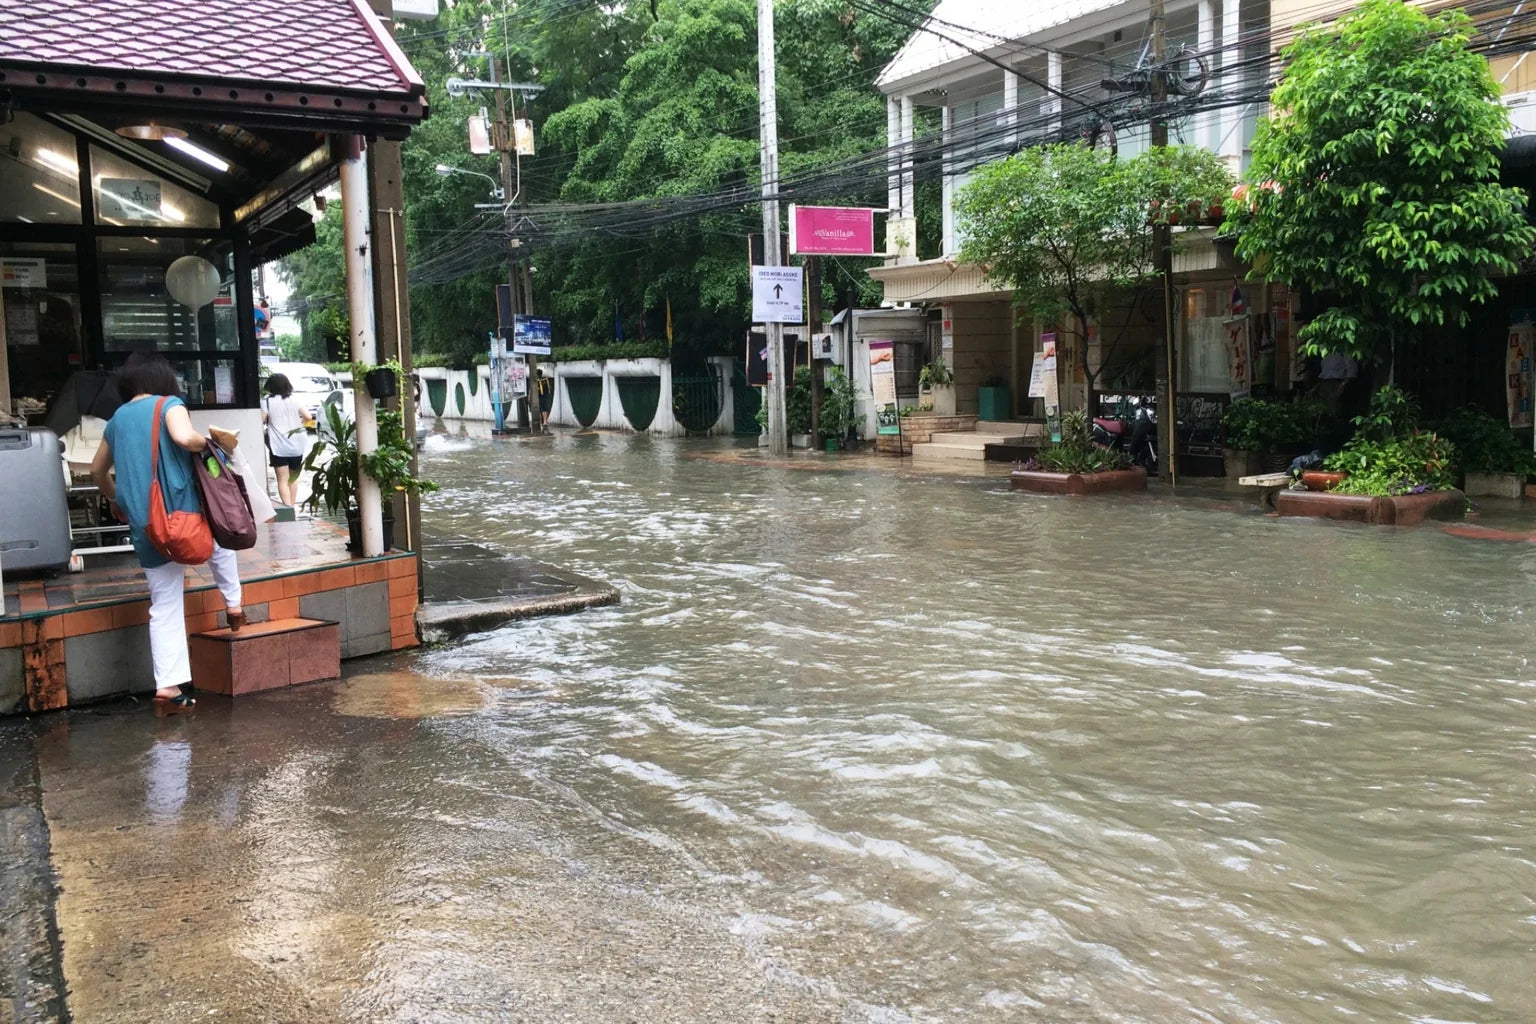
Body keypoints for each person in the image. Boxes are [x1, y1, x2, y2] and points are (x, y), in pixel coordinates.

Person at [90, 351, 243, 713]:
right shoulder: (169, 404)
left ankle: (168, 687)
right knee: (222, 540)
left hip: (145, 524)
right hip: (181, 514)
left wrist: (118, 500)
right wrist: (211, 441)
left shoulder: (116, 419)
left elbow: (97, 471)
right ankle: (234, 604)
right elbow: (183, 437)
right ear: (163, 380)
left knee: (164, 603)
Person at [261, 373, 307, 507]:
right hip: (297, 444)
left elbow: (262, 420)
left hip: (278, 445)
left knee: (282, 479)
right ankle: (292, 506)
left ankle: (287, 508)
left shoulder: (267, 401)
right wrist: (300, 424)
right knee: (293, 478)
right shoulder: (294, 399)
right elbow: (308, 416)